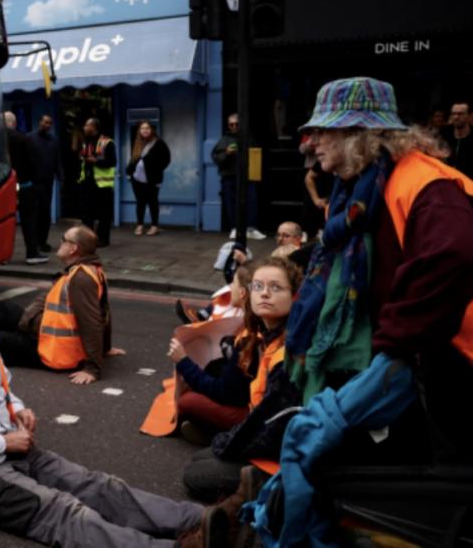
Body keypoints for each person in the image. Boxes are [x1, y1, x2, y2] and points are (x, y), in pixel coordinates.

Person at [233, 77, 473, 545]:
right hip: (422, 364)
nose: (311, 141)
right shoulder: (363, 190)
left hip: (452, 369)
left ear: (361, 135)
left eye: (324, 130)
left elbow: (456, 253)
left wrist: (396, 341)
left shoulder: (426, 182)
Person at [0, 271, 204, 547]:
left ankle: (201, 521)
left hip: (15, 447)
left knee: (98, 485)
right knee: (64, 512)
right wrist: (3, 442)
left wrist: (17, 409)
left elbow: (0, 388)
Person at [181, 257, 303, 502]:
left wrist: (227, 442)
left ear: (295, 295)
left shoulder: (287, 351)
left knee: (194, 476)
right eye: (258, 287)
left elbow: (269, 428)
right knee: (199, 459)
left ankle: (269, 491)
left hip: (278, 457)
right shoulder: (266, 335)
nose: (265, 294)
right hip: (260, 432)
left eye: (276, 287)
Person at [0, 225, 112, 384]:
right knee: (2, 309)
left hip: (53, 349)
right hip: (42, 330)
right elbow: (105, 310)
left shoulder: (81, 278)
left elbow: (91, 322)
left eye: (64, 240)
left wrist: (93, 369)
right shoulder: (84, 270)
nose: (60, 243)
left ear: (73, 248)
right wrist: (106, 348)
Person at [167, 263, 255, 445]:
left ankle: (219, 436)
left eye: (234, 284)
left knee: (186, 401)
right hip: (248, 401)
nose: (230, 288)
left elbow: (225, 393)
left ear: (244, 294)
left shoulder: (249, 338)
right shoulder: (248, 326)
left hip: (250, 414)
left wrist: (184, 362)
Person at [211, 114, 265, 240]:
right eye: (231, 124)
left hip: (247, 175)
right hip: (229, 175)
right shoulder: (224, 139)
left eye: (236, 124)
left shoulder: (248, 137)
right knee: (231, 203)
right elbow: (215, 157)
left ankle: (251, 228)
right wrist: (226, 153)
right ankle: (235, 228)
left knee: (251, 201)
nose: (234, 127)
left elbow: (256, 154)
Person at [3, 111, 46, 264]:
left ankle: (2, 255)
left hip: (2, 186)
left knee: (3, 221)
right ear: (14, 123)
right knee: (29, 220)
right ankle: (32, 253)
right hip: (24, 185)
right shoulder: (23, 139)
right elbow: (34, 163)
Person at [126, 120, 171, 236]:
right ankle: (139, 225)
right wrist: (131, 172)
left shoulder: (159, 143)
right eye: (142, 128)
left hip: (152, 179)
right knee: (140, 202)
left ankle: (154, 226)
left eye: (147, 128)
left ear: (152, 130)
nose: (144, 130)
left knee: (152, 202)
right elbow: (133, 159)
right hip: (137, 179)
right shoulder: (137, 143)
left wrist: (156, 169)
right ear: (139, 131)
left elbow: (166, 159)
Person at [78, 118, 116, 247]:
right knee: (86, 213)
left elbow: (112, 162)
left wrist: (96, 161)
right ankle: (89, 239)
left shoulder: (107, 143)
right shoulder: (85, 142)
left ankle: (103, 239)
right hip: (87, 183)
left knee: (103, 214)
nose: (84, 127)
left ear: (94, 127)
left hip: (102, 185)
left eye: (86, 125)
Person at [29, 114, 62, 253]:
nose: (47, 125)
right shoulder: (30, 138)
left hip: (48, 181)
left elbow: (58, 159)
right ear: (39, 122)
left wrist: (61, 176)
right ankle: (34, 241)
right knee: (35, 212)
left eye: (49, 123)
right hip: (33, 181)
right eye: (45, 122)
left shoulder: (53, 140)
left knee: (45, 212)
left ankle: (43, 241)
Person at [440, 100, 473, 179]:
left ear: (469, 116)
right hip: (445, 181)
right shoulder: (443, 135)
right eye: (453, 113)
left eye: (460, 114)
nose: (456, 117)